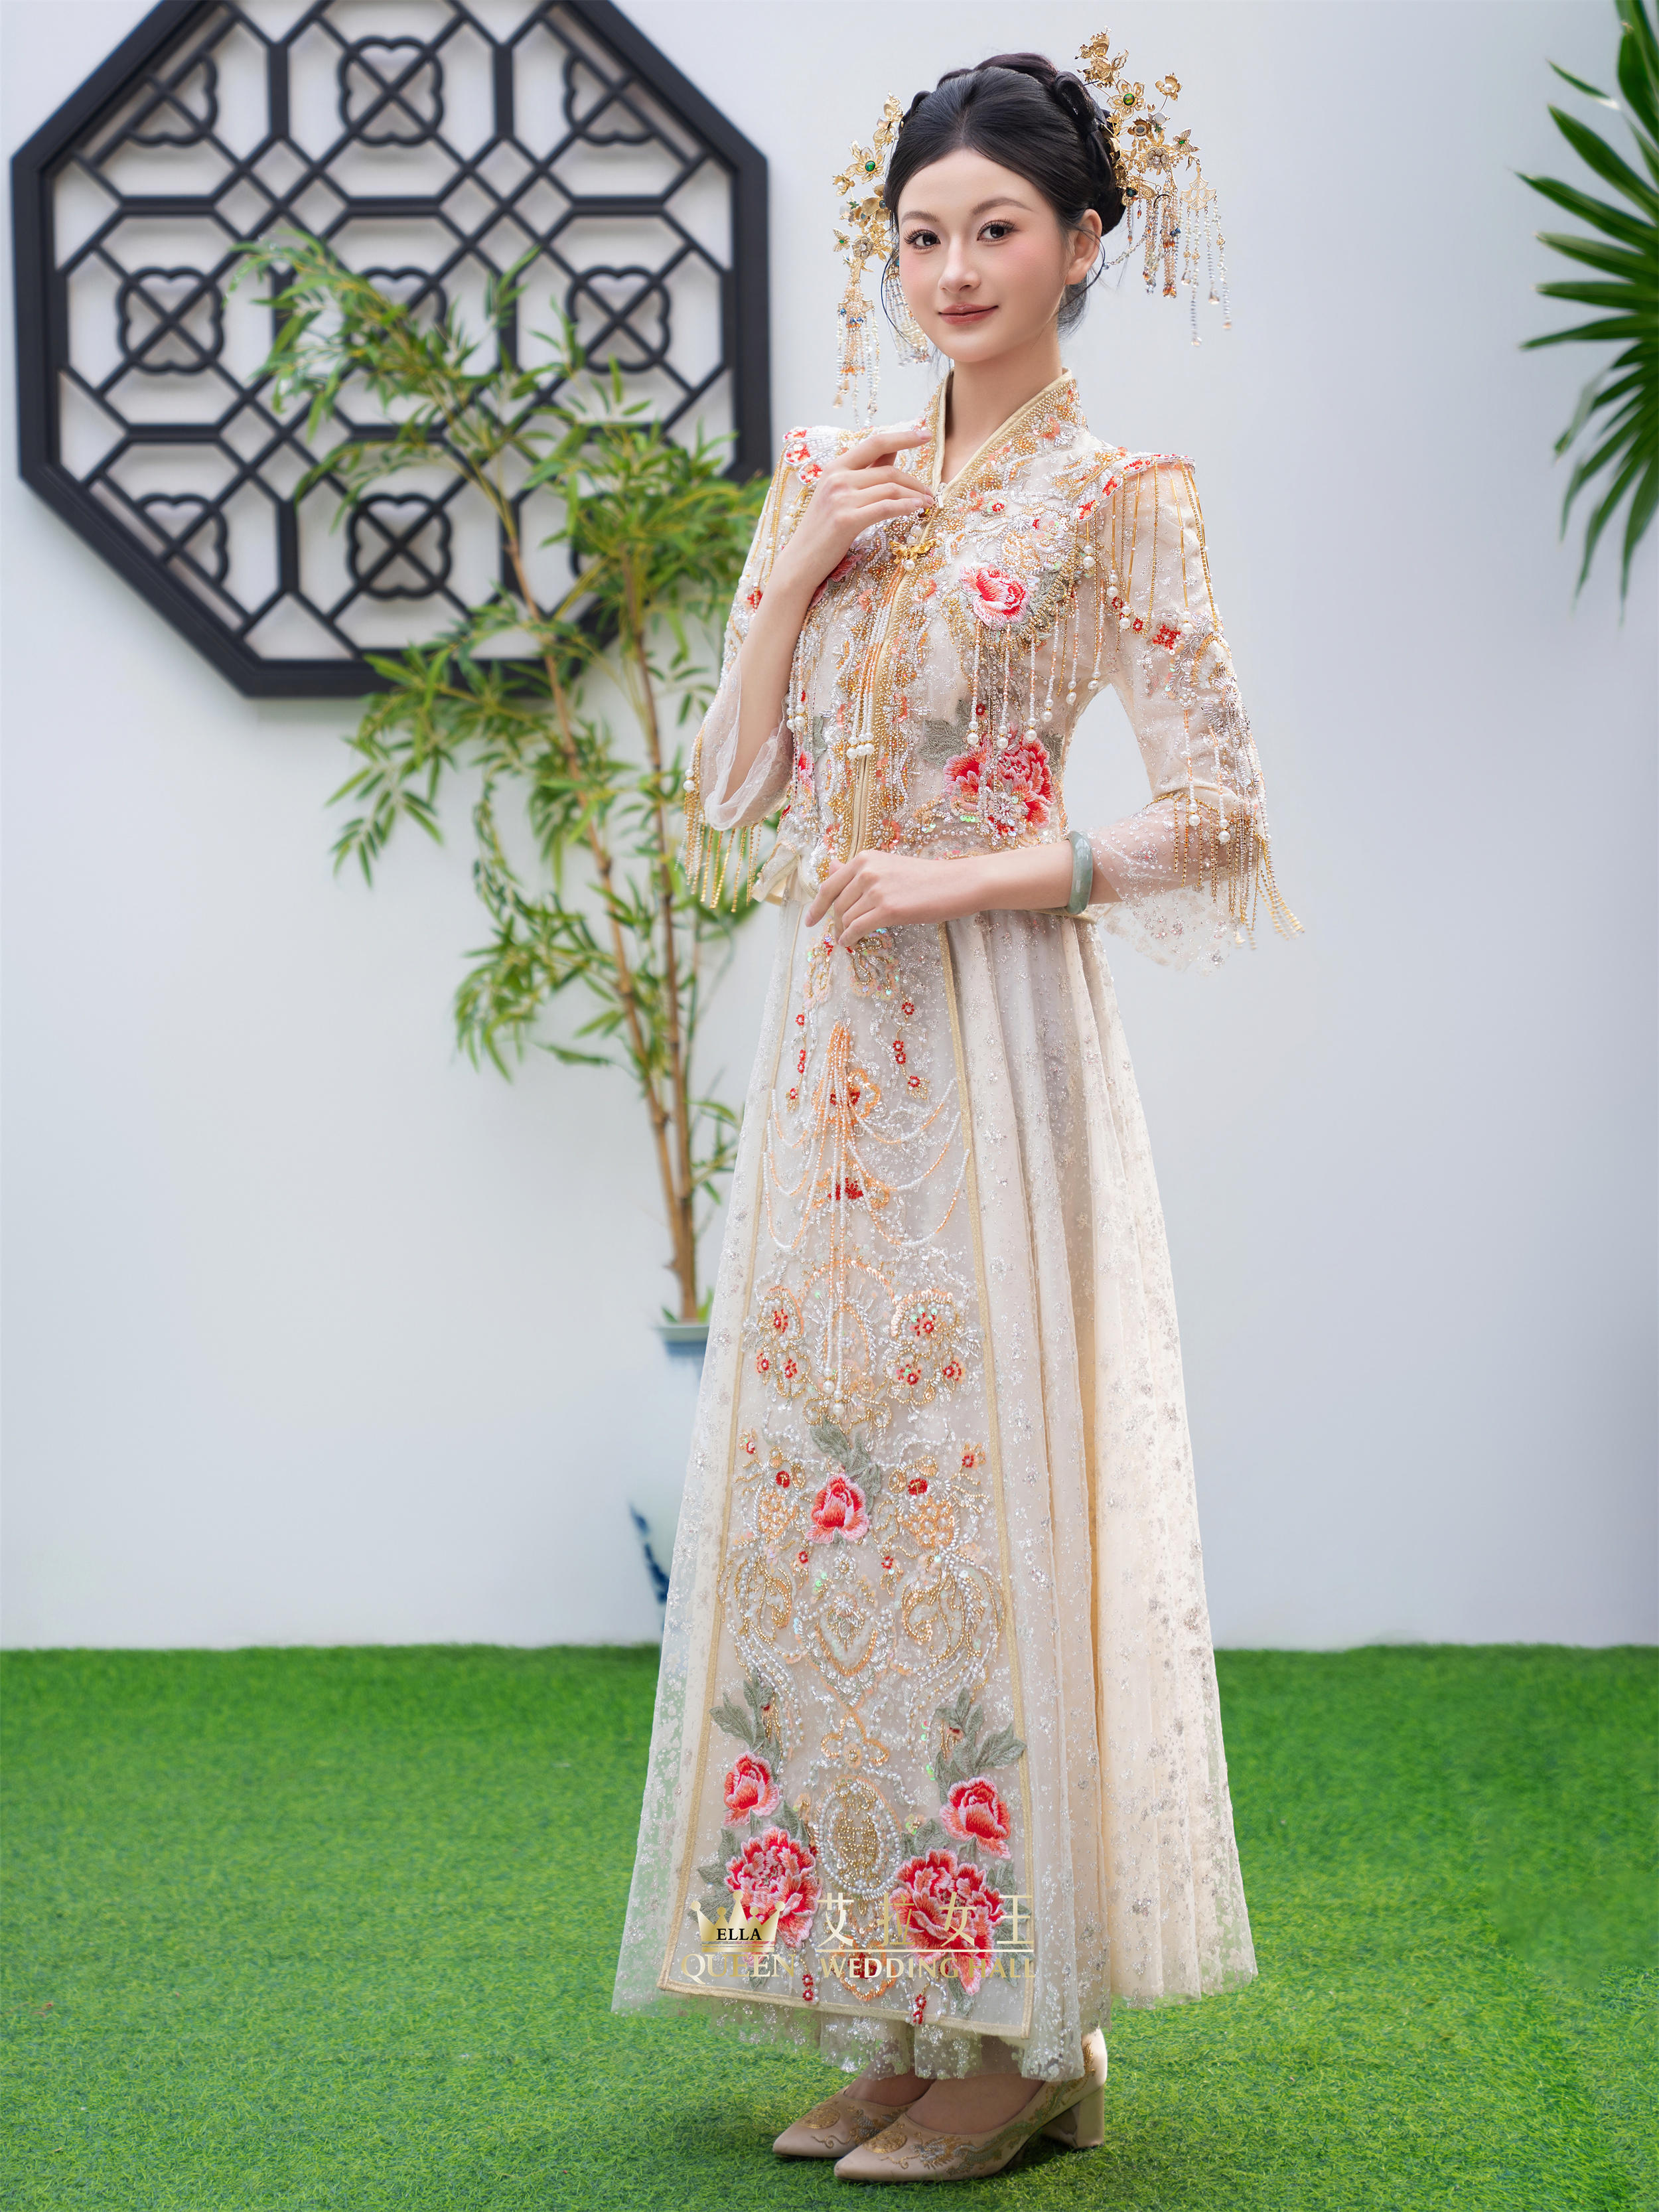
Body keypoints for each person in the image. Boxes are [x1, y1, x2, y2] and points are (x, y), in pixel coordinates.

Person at [611, 41, 1299, 2184]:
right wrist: (790, 570)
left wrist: (962, 875)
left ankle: (1028, 2036)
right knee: (839, 1519)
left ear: (1082, 244)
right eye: (920, 234)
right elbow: (729, 793)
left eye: (997, 228)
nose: (954, 269)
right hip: (832, 1061)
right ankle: (897, 2011)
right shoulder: (829, 469)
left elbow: (1216, 814)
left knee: (987, 1507)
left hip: (994, 1042)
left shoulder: (1122, 496)